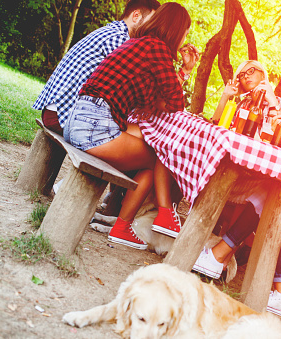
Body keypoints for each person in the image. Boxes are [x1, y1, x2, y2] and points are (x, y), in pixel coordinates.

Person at [191, 57, 281, 318]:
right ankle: (270, 287)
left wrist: (272, 104)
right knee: (263, 193)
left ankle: (219, 255)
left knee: (266, 196)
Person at [63, 2, 199, 250]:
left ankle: (144, 220)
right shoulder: (156, 48)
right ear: (177, 29)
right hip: (93, 125)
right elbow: (176, 102)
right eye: (186, 32)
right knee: (159, 156)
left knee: (154, 149)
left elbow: (158, 102)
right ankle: (155, 218)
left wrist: (183, 72)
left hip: (80, 119)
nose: (185, 38)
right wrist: (186, 70)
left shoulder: (139, 43)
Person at [33, 0, 161, 135]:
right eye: (151, 22)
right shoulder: (119, 40)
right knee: (142, 137)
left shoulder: (112, 31)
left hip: (56, 111)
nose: (152, 29)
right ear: (136, 16)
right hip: (63, 116)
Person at [211, 60, 281, 136]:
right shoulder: (243, 104)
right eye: (242, 75)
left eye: (251, 71)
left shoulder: (276, 102)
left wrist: (273, 102)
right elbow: (215, 126)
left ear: (262, 75)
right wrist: (225, 95)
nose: (246, 76)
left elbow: (272, 138)